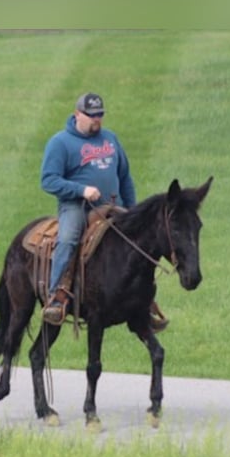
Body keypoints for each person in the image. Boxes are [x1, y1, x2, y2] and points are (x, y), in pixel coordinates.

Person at [39, 92, 169, 331]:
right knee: (68, 239)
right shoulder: (60, 143)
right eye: (91, 116)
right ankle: (56, 296)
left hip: (112, 205)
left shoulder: (110, 139)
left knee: (138, 245)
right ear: (77, 114)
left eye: (100, 115)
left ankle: (142, 301)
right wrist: (81, 190)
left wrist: (133, 211)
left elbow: (124, 177)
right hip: (77, 207)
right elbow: (48, 180)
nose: (96, 120)